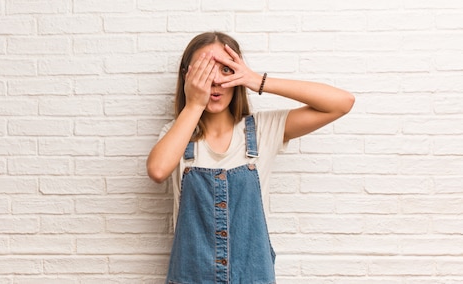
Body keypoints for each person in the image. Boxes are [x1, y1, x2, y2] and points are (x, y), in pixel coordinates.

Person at [146, 32, 355, 284]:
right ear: (187, 76)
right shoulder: (177, 135)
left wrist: (257, 80)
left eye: (226, 69)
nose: (215, 80)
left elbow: (342, 102)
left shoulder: (262, 129)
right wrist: (194, 104)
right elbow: (157, 171)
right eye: (205, 69)